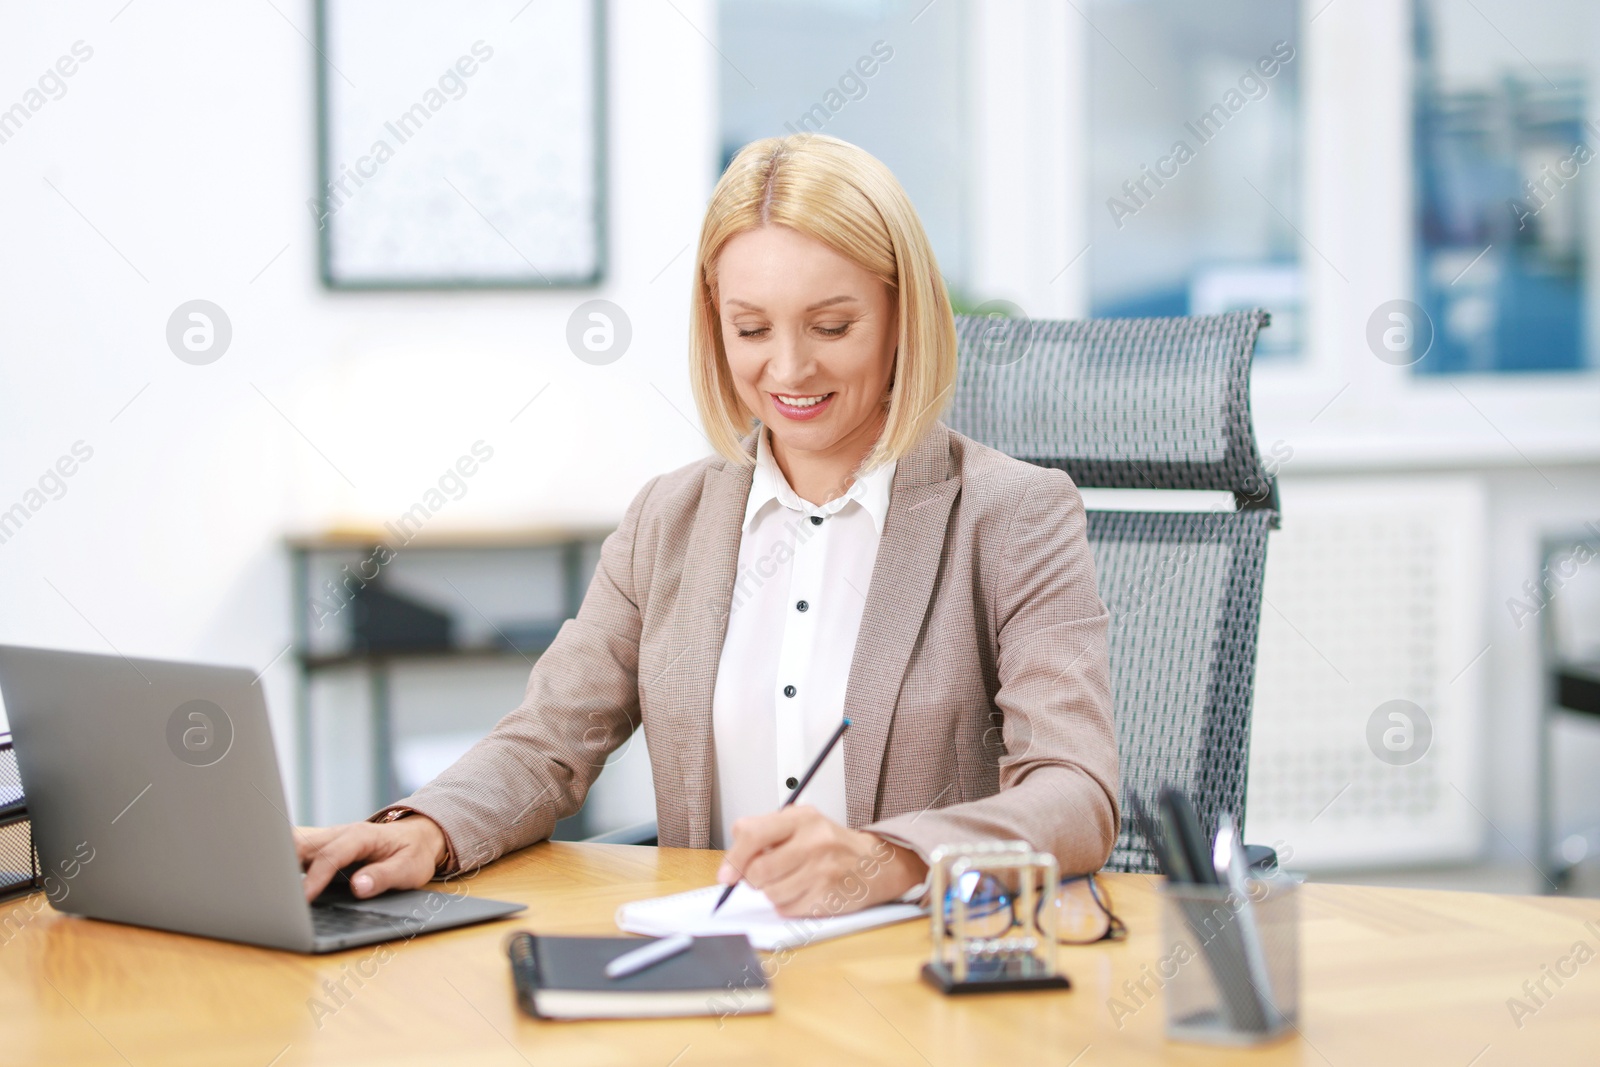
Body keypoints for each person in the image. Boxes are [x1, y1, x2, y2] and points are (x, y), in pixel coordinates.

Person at [297, 133, 1119, 918]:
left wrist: (887, 857)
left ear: (904, 316)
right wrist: (424, 830)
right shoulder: (670, 518)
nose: (789, 368)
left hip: (912, 975)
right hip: (713, 971)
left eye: (832, 326)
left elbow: (1076, 794)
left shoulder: (1012, 514)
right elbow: (548, 740)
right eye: (752, 328)